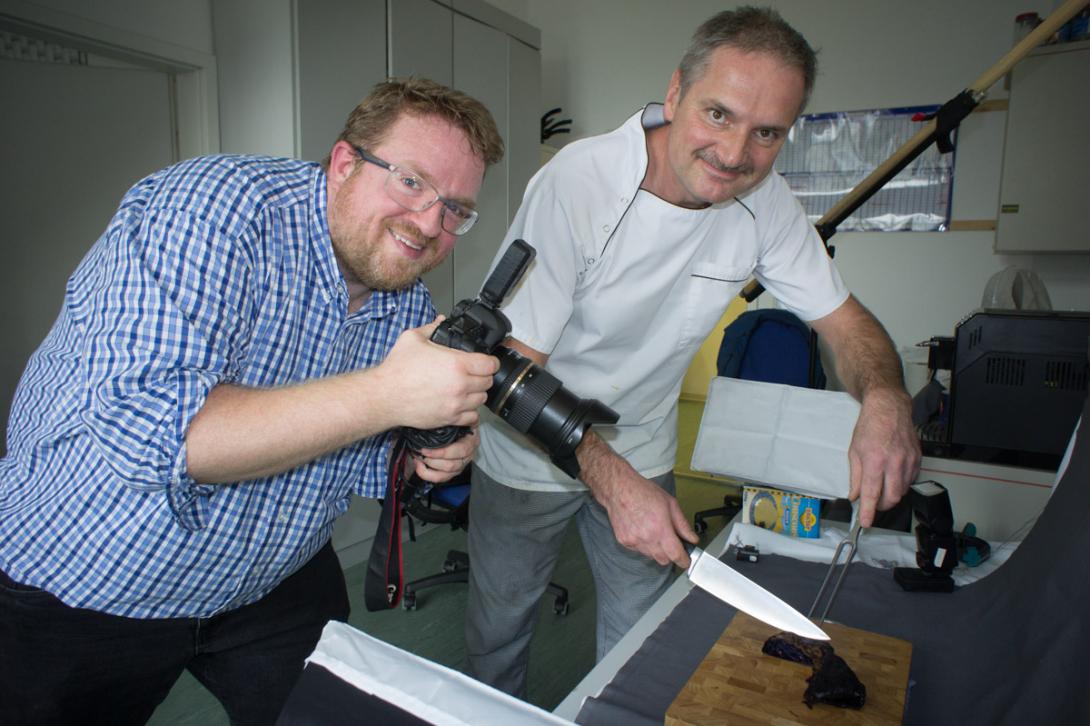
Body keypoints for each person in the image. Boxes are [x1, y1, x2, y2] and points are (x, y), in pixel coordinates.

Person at [0, 78, 504, 725]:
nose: (431, 223)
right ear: (345, 163)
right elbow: (163, 436)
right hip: (92, 576)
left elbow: (355, 446)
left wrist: (420, 452)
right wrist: (388, 395)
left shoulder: (402, 295)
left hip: (269, 577)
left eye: (456, 208)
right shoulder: (214, 210)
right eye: (411, 181)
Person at [465, 7, 921, 698]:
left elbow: (847, 323)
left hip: (641, 447)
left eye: (767, 133)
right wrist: (612, 481)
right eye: (719, 114)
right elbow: (507, 367)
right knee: (499, 634)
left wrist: (886, 396)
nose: (737, 154)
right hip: (529, 451)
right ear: (675, 94)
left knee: (644, 640)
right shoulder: (579, 185)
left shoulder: (766, 203)